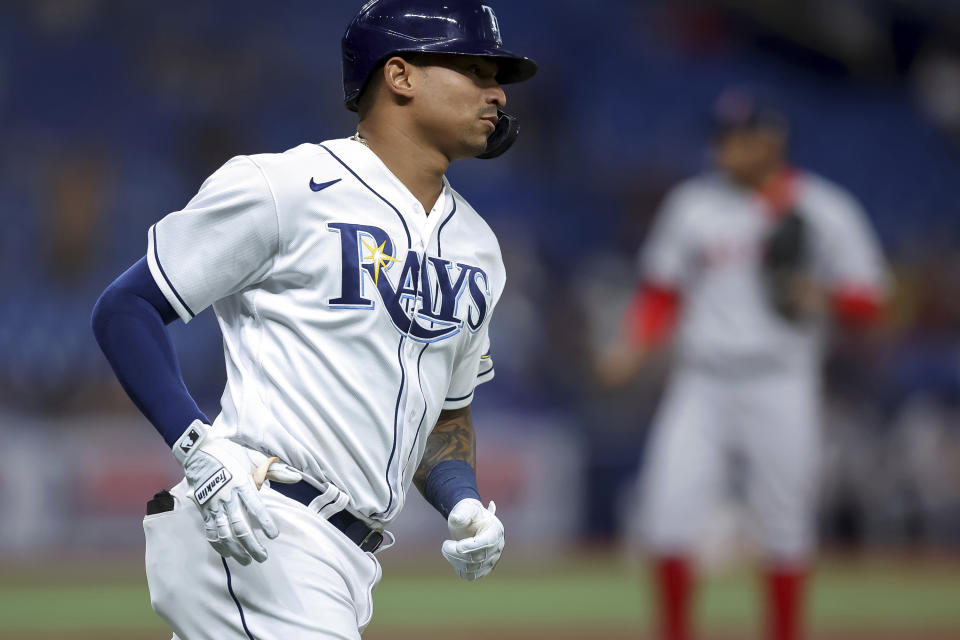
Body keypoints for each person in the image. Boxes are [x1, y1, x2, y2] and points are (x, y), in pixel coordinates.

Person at [91, 1, 537, 638]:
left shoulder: (478, 247)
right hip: (261, 525)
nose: (496, 92)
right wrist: (197, 445)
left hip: (346, 559)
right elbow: (127, 308)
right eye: (474, 69)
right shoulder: (287, 186)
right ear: (401, 76)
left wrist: (462, 499)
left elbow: (446, 412)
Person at [599, 89, 888, 640]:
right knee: (666, 515)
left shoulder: (822, 208)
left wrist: (823, 295)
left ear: (770, 141)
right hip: (702, 383)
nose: (722, 149)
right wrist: (632, 345)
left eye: (735, 138)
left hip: (781, 381)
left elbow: (872, 299)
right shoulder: (692, 204)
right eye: (718, 137)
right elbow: (662, 290)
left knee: (784, 524)